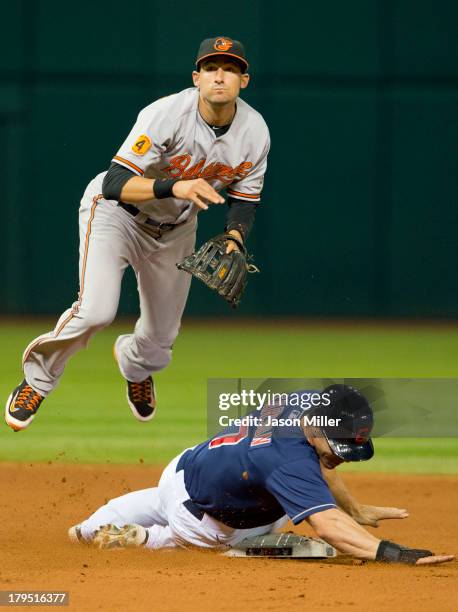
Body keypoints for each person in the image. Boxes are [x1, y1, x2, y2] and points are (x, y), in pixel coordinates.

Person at [5, 36, 269, 431]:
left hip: (176, 228)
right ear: (197, 77)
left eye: (231, 70)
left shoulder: (255, 132)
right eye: (212, 68)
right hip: (117, 215)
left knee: (161, 339)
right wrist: (174, 187)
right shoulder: (166, 114)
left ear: (243, 81)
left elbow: (245, 198)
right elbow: (114, 182)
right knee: (95, 311)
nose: (220, 77)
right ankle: (37, 381)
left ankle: (134, 365)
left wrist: (234, 237)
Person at [68, 385, 454, 565]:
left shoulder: (303, 401)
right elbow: (328, 527)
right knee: (226, 544)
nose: (344, 457)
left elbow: (324, 466)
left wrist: (354, 508)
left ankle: (89, 528)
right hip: (211, 524)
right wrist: (393, 553)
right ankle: (150, 539)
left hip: (185, 469)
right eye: (339, 446)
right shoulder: (289, 461)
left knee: (117, 517)